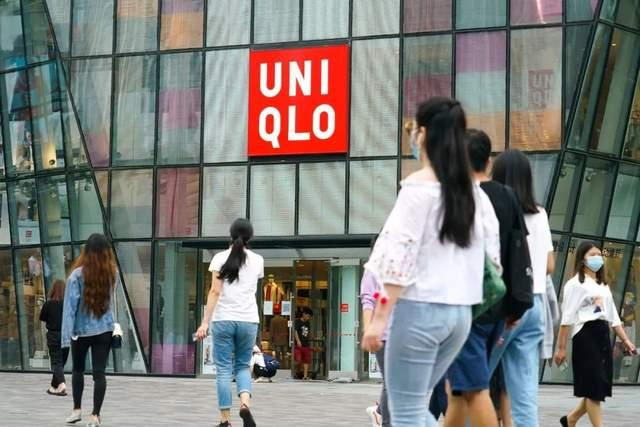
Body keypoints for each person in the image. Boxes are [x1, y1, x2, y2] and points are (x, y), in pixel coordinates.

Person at [362, 97, 501, 427]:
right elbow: (493, 260)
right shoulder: (474, 193)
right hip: (459, 316)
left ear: (423, 134)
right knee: (415, 405)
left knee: (405, 411)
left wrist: (379, 319)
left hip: (419, 312)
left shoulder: (417, 188)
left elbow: (398, 260)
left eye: (413, 128)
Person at [445, 129, 533, 427]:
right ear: (488, 160)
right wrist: (514, 306)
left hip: (470, 306)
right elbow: (517, 251)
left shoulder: (463, 197)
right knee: (458, 390)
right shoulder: (507, 196)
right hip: (498, 304)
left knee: (474, 388)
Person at [487, 149, 555, 427]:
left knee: (472, 384)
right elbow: (550, 264)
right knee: (525, 395)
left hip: (503, 307)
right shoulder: (540, 213)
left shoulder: (493, 210)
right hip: (534, 303)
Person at [554, 241, 636, 427]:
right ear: (582, 259)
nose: (597, 258)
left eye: (599, 254)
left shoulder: (602, 285)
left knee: (598, 386)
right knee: (593, 389)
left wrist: (626, 340)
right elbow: (567, 318)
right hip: (585, 336)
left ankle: (570, 420)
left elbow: (613, 316)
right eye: (592, 254)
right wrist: (561, 348)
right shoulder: (575, 284)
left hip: (602, 335)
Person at [196, 218, 263, 427]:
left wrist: (204, 322)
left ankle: (225, 420)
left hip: (223, 319)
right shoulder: (258, 260)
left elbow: (215, 292)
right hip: (248, 320)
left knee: (224, 369)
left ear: (230, 234)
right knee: (243, 366)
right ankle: (245, 404)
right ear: (250, 237)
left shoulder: (219, 258)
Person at [61, 234, 118, 427]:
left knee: (78, 370)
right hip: (104, 330)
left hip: (80, 332)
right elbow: (112, 302)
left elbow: (69, 309)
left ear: (86, 252)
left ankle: (76, 410)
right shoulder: (112, 274)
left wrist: (65, 339)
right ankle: (95, 415)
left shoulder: (76, 276)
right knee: (99, 373)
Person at [360, 235, 390, 427]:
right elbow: (368, 300)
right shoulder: (373, 269)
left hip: (407, 335)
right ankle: (386, 421)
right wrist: (368, 330)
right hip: (384, 336)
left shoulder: (405, 265)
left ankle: (380, 414)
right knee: (392, 383)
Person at [40, 279, 69, 396]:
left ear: (53, 290)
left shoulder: (48, 304)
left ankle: (61, 384)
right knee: (61, 362)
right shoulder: (67, 305)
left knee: (57, 362)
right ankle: (53, 387)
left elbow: (42, 318)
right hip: (66, 335)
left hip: (53, 335)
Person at [294, 307, 313, 380]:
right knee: (298, 360)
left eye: (309, 317)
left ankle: (305, 376)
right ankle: (296, 372)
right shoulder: (297, 321)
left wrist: (310, 337)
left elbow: (308, 332)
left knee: (306, 360)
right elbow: (295, 331)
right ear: (304, 314)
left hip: (306, 343)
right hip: (298, 344)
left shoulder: (307, 323)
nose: (308, 318)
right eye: (308, 316)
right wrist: (298, 340)